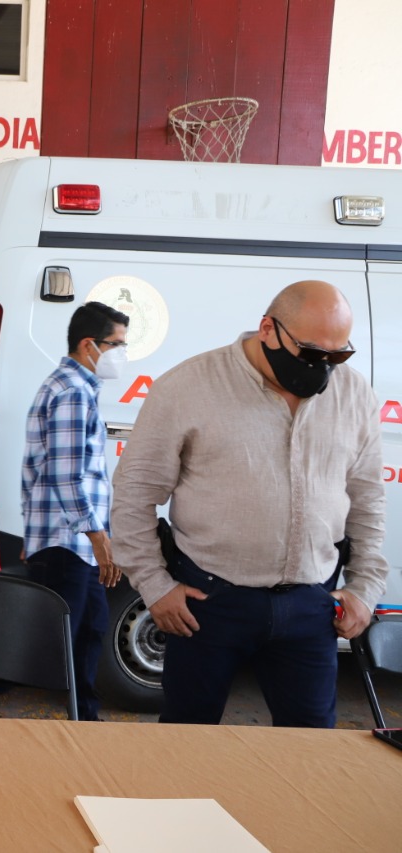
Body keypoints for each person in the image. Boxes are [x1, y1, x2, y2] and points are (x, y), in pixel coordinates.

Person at [110, 280, 387, 727]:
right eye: (313, 354)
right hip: (207, 604)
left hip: (311, 607)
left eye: (338, 357)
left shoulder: (353, 394)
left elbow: (367, 496)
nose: (325, 369)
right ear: (268, 330)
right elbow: (135, 492)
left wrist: (364, 587)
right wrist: (154, 585)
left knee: (311, 754)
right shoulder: (188, 387)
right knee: (186, 745)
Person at [20, 301, 128, 721]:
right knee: (55, 640)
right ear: (89, 344)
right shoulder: (72, 393)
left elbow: (35, 472)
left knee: (88, 632)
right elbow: (67, 476)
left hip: (68, 542)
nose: (122, 354)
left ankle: (85, 718)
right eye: (116, 345)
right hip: (72, 543)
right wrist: (99, 538)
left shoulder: (71, 388)